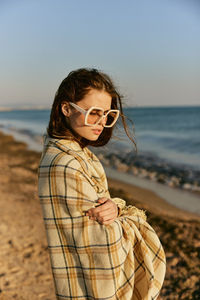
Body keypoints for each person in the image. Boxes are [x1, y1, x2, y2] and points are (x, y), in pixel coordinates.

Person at [38, 68, 166, 300]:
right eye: (93, 113)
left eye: (107, 114)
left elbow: (104, 216)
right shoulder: (66, 164)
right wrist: (131, 216)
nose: (101, 122)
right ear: (66, 108)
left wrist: (116, 208)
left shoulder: (77, 155)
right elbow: (104, 242)